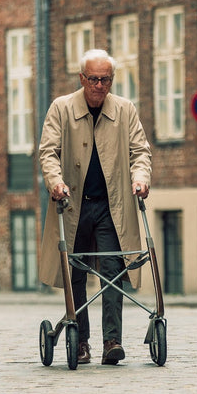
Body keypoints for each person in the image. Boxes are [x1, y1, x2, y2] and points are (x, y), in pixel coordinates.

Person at [38, 49, 152, 365]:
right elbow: (48, 152)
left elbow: (141, 152)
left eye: (105, 80)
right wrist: (55, 182)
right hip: (73, 205)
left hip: (111, 207)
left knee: (113, 272)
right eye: (93, 79)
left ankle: (112, 341)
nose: (99, 86)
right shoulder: (61, 109)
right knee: (75, 272)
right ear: (82, 78)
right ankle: (81, 341)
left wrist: (141, 178)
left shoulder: (125, 110)